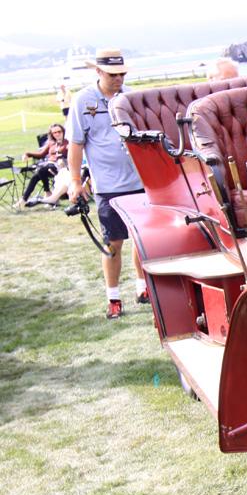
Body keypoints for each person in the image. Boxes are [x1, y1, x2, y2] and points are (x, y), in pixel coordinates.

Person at [66, 48, 148, 319]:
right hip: (108, 187)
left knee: (142, 240)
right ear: (98, 72)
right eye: (113, 74)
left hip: (140, 181)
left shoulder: (130, 97)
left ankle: (142, 288)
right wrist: (76, 181)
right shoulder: (83, 101)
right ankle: (113, 298)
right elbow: (76, 144)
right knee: (113, 243)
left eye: (122, 73)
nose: (118, 78)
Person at [16, 123, 68, 208]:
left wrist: (61, 158)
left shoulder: (67, 142)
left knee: (40, 170)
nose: (57, 134)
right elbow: (41, 154)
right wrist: (27, 154)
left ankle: (47, 192)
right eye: (55, 133)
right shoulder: (51, 143)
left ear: (63, 132)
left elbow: (71, 155)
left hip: (61, 168)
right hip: (48, 166)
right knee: (35, 176)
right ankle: (24, 199)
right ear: (52, 134)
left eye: (59, 131)